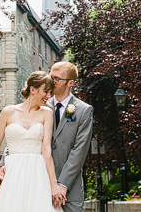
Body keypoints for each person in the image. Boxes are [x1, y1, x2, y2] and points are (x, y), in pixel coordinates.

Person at [0, 71, 62, 212]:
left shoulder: (47, 113)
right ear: (33, 90)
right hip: (12, 172)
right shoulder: (8, 112)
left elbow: (46, 149)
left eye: (50, 92)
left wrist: (53, 184)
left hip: (37, 172)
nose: (49, 96)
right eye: (45, 91)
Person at [47, 61, 94, 212]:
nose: (51, 81)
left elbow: (79, 150)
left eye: (57, 79)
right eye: (51, 76)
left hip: (70, 188)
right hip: (40, 179)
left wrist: (63, 184)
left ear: (70, 83)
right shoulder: (41, 106)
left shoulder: (83, 110)